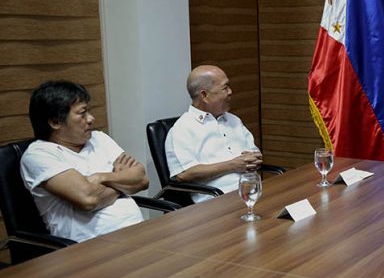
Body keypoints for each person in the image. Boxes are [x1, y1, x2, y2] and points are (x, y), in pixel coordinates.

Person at [20, 81, 148, 243]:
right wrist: (122, 182)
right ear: (55, 122)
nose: (91, 119)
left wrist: (101, 178)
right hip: (89, 245)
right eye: (82, 113)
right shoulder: (39, 154)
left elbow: (142, 179)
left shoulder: (99, 138)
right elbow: (88, 199)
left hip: (136, 230)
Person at [165, 65, 263, 203]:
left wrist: (255, 158)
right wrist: (232, 165)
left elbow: (253, 152)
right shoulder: (183, 129)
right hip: (215, 200)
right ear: (204, 95)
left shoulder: (233, 120)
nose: (230, 92)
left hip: (251, 192)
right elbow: (184, 174)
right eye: (225, 88)